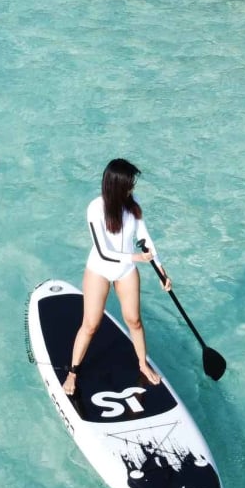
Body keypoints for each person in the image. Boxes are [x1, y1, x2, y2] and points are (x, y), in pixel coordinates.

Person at [64, 159, 170, 395]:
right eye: (129, 184)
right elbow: (103, 251)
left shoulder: (134, 206)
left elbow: (145, 240)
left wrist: (161, 270)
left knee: (134, 320)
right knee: (91, 324)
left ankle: (143, 364)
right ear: (117, 185)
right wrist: (136, 258)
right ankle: (72, 372)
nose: (133, 189)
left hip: (126, 271)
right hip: (99, 270)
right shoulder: (95, 209)